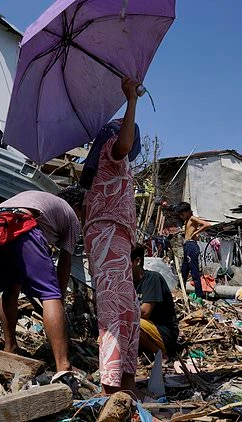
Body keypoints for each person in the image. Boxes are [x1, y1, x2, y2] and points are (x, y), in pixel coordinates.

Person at [0, 188, 84, 381]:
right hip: (20, 223)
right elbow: (65, 263)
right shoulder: (71, 216)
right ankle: (63, 365)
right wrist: (58, 297)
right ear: (77, 206)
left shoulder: (40, 198)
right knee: (50, 294)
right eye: (83, 210)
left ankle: (10, 347)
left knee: (11, 289)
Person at [82, 77, 141, 396]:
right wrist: (131, 99)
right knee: (114, 309)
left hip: (115, 238)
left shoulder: (112, 169)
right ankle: (110, 386)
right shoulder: (111, 149)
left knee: (127, 308)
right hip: (107, 237)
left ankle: (127, 384)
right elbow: (124, 144)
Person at [131, 244, 179, 358]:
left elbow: (145, 312)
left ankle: (160, 354)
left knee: (132, 323)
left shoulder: (152, 279)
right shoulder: (129, 283)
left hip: (163, 333)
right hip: (147, 331)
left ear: (137, 261)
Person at [176, 202, 211, 299]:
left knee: (194, 272)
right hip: (187, 246)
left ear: (187, 212)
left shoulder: (192, 218)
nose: (182, 217)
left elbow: (206, 224)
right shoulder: (187, 221)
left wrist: (195, 232)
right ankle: (180, 292)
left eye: (183, 214)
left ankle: (199, 296)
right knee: (184, 271)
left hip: (191, 245)